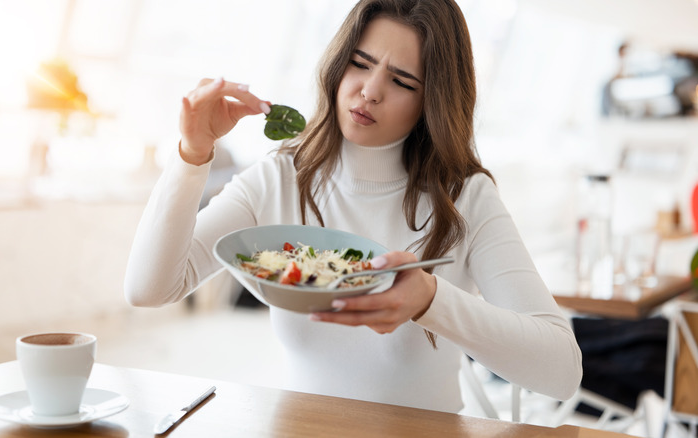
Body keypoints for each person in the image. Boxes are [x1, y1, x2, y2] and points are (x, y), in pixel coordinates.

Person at [125, 0, 582, 413]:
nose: (370, 91)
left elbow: (562, 372)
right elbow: (149, 288)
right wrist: (192, 155)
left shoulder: (465, 197)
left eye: (402, 80)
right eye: (360, 64)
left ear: (432, 102)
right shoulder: (282, 176)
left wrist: (431, 300)